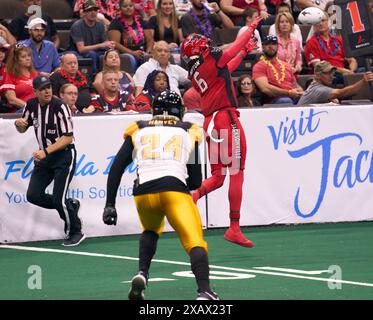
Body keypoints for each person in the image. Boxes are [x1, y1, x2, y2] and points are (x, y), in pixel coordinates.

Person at [102, 89, 219, 300]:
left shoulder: (139, 128)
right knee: (195, 242)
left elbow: (117, 167)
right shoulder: (188, 130)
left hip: (143, 192)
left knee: (150, 230)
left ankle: (142, 274)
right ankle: (205, 291)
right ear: (179, 111)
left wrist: (110, 203)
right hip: (173, 189)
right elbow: (195, 181)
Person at [180, 18, 263, 248]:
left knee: (218, 176)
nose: (208, 45)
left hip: (210, 122)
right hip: (225, 118)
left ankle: (192, 197)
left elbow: (226, 68)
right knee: (237, 172)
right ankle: (234, 227)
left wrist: (244, 52)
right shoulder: (211, 58)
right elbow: (231, 50)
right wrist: (249, 30)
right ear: (200, 49)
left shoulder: (195, 72)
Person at [14, 75, 85, 247]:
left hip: (63, 155)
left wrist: (45, 151)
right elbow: (23, 128)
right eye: (43, 89)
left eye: (49, 88)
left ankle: (75, 231)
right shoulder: (31, 105)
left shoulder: (60, 107)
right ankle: (70, 206)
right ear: (35, 92)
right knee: (33, 195)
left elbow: (68, 137)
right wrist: (19, 124)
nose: (47, 91)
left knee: (58, 199)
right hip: (46, 157)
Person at [252, 35, 303, 104]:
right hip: (275, 100)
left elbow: (294, 84)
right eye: (267, 44)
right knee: (285, 100)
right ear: (263, 47)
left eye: (273, 44)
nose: (270, 46)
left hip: (292, 96)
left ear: (278, 47)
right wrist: (288, 93)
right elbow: (265, 89)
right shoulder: (259, 66)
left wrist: (300, 91)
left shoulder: (286, 65)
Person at [304, 11, 357, 77]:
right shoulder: (311, 42)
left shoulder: (338, 39)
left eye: (323, 20)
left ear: (328, 22)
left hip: (344, 73)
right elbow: (319, 67)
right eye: (317, 22)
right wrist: (343, 71)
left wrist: (351, 71)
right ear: (313, 25)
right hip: (326, 76)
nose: (320, 23)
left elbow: (352, 59)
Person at [70, 0, 116, 73]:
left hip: (97, 51)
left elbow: (105, 42)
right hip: (79, 53)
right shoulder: (77, 26)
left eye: (95, 10)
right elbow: (81, 49)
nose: (93, 12)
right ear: (84, 13)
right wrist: (102, 45)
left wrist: (109, 45)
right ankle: (93, 75)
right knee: (92, 54)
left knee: (111, 54)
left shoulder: (100, 25)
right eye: (89, 10)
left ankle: (111, 75)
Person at [297, 61, 373, 105]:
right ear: (318, 76)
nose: (331, 76)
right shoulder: (319, 90)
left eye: (332, 73)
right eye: (327, 73)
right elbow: (342, 92)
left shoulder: (317, 86)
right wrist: (363, 81)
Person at [108, 0, 152, 73]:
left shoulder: (141, 21)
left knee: (148, 58)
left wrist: (148, 52)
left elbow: (150, 40)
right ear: (120, 8)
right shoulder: (115, 23)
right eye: (125, 6)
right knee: (130, 58)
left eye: (130, 6)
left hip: (142, 53)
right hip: (125, 54)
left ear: (134, 7)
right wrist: (132, 52)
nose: (128, 8)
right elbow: (114, 43)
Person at [0, 45, 39, 113]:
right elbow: (12, 100)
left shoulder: (35, 74)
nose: (28, 58)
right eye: (23, 56)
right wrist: (31, 108)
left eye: (29, 55)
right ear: (16, 59)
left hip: (38, 110)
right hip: (21, 112)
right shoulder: (9, 75)